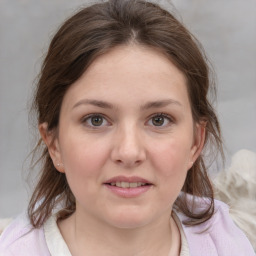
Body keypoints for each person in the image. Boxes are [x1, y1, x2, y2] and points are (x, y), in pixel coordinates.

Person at [0, 0, 254, 255]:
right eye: (96, 120)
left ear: (196, 143)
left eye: (158, 120)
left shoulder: (231, 243)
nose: (129, 152)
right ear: (54, 144)